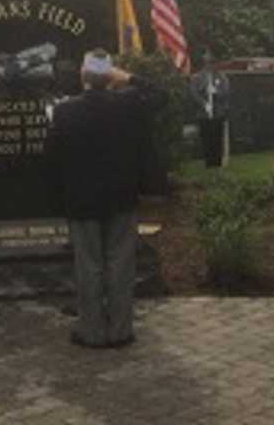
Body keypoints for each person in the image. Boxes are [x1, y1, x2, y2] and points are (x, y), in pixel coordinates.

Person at [45, 49, 165, 350]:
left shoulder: (64, 111)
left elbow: (52, 159)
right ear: (110, 75)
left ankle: (92, 331)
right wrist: (129, 77)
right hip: (121, 196)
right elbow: (161, 94)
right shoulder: (129, 105)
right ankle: (121, 330)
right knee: (121, 264)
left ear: (83, 75)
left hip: (81, 199)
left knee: (89, 266)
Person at [189, 50, 229, 167]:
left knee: (217, 139)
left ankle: (217, 162)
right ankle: (208, 162)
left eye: (212, 62)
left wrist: (216, 92)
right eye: (207, 63)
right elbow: (194, 93)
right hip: (203, 114)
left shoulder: (221, 77)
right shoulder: (197, 77)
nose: (210, 65)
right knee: (206, 139)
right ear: (203, 64)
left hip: (218, 113)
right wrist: (204, 104)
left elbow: (226, 92)